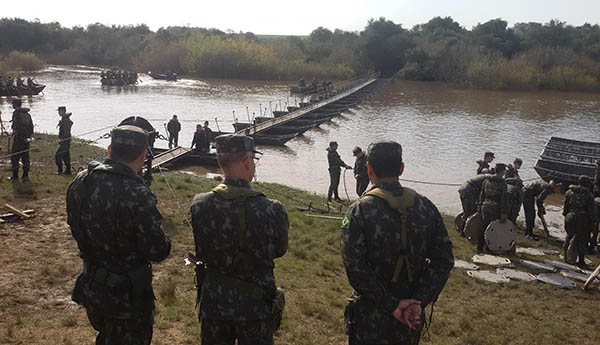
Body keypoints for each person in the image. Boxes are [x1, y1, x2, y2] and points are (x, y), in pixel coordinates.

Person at [341, 141, 454, 345]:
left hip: (370, 318)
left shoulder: (360, 210)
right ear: (401, 168)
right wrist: (419, 301)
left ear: (368, 169)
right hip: (410, 316)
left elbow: (355, 268)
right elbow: (444, 260)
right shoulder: (426, 207)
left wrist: (392, 305)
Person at [66, 125, 171, 345]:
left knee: (105, 337)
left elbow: (75, 227)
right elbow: (158, 251)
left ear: (109, 148)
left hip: (92, 287)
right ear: (143, 156)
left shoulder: (81, 182)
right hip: (127, 298)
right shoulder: (138, 194)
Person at [190, 134, 289, 345]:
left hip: (214, 304)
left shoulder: (200, 204)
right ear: (246, 161)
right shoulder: (273, 209)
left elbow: (202, 248)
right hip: (256, 305)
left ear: (220, 161)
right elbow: (279, 250)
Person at [562, 176, 598, 268]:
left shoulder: (569, 192)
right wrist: (593, 222)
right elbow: (591, 211)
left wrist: (566, 215)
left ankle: (565, 257)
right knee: (582, 239)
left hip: (570, 216)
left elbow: (565, 207)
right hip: (582, 219)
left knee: (569, 236)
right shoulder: (589, 195)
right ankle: (581, 261)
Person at [477, 163, 508, 252]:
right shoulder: (503, 183)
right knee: (493, 228)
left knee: (483, 226)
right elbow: (503, 199)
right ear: (502, 172)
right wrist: (503, 212)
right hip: (495, 207)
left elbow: (482, 194)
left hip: (485, 205)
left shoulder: (487, 180)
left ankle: (479, 247)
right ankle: (489, 248)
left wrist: (479, 206)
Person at [9, 99, 34, 181]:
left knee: (14, 157)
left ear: (15, 104)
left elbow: (17, 126)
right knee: (25, 157)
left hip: (18, 139)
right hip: (26, 139)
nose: (12, 105)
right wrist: (28, 137)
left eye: (13, 103)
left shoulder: (16, 113)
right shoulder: (27, 114)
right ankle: (25, 175)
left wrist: (15, 134)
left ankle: (15, 176)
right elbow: (31, 127)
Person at [55, 106, 73, 175]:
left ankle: (60, 170)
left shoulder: (65, 120)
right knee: (66, 155)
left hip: (65, 140)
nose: (58, 113)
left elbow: (65, 131)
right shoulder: (65, 119)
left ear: (63, 111)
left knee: (58, 155)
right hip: (67, 140)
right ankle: (68, 171)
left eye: (59, 111)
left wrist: (62, 139)